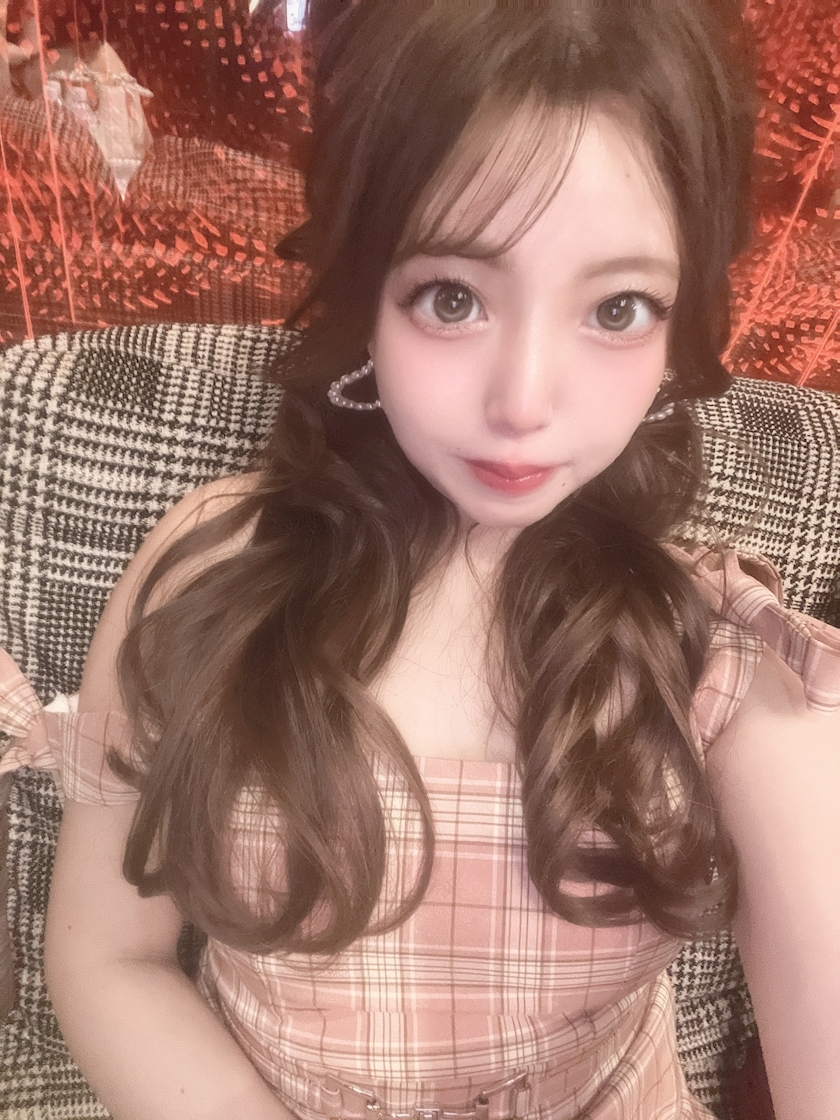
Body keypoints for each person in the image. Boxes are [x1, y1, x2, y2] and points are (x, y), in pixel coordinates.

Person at [1, 3, 839, 1118]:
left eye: (618, 308)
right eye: (454, 297)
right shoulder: (213, 576)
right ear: (368, 288)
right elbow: (110, 955)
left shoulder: (723, 663)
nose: (524, 402)